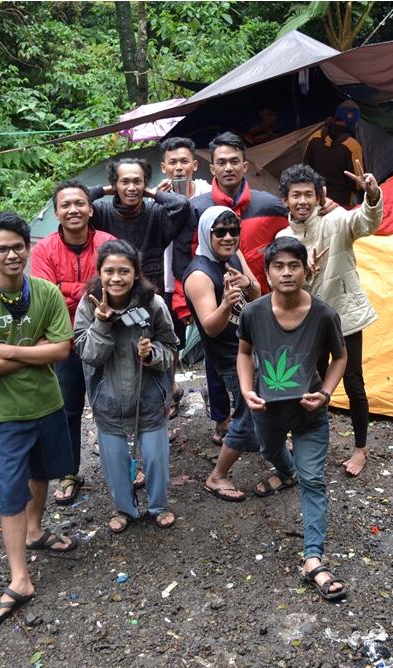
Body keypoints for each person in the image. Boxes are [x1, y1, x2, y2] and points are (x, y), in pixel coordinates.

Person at [0, 211, 77, 625]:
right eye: (2, 248)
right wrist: (35, 352)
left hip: (47, 403)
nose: (11, 254)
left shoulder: (44, 292)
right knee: (10, 493)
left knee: (42, 473)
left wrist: (7, 351)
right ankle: (19, 578)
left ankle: (36, 530)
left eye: (17, 246)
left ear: (29, 248)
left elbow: (62, 350)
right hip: (4, 414)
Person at [237, 236, 348, 601]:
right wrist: (246, 387)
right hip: (267, 411)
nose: (286, 272)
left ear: (306, 269)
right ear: (266, 273)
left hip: (309, 412)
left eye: (294, 265)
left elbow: (340, 358)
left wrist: (327, 394)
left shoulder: (323, 314)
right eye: (278, 266)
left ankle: (313, 558)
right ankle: (285, 470)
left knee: (313, 480)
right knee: (271, 451)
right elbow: (244, 351)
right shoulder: (253, 313)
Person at [276, 161, 383, 477]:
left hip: (345, 315)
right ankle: (310, 440)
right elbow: (284, 286)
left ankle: (360, 449)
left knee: (352, 382)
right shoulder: (284, 238)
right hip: (309, 322)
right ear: (286, 199)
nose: (302, 201)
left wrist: (373, 197)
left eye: (308, 194)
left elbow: (366, 223)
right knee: (310, 383)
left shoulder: (336, 221)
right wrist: (304, 274)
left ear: (319, 196)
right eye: (296, 195)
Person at [74, 240, 178, 532]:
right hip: (108, 399)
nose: (116, 278)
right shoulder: (88, 305)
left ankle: (158, 506)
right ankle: (125, 509)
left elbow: (170, 347)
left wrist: (152, 354)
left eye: (124, 271)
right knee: (114, 462)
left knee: (156, 458)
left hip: (149, 397)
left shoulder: (153, 304)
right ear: (99, 273)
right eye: (109, 271)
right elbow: (88, 354)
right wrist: (102, 324)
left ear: (136, 274)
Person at [31, 181, 115, 505]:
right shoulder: (44, 250)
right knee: (68, 410)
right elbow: (46, 299)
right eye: (65, 205)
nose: (73, 210)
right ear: (56, 213)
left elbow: (115, 289)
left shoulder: (108, 243)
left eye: (79, 203)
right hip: (63, 342)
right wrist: (84, 290)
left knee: (112, 405)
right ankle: (69, 472)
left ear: (91, 208)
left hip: (106, 336)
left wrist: (65, 287)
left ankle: (121, 466)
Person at [183, 206, 262, 502]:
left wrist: (249, 284)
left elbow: (258, 296)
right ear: (207, 233)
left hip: (251, 345)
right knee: (247, 411)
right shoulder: (199, 275)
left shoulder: (234, 257)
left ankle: (270, 445)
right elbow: (210, 328)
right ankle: (217, 476)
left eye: (234, 231)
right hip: (229, 356)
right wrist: (227, 303)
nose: (229, 237)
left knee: (263, 401)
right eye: (220, 232)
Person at [172, 132, 290, 294]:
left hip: (267, 302)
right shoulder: (196, 210)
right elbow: (182, 263)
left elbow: (294, 240)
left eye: (234, 161)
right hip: (214, 303)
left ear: (245, 166)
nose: (228, 168)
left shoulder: (270, 206)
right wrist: (185, 308)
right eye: (221, 162)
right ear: (213, 168)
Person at [158, 137, 222, 429]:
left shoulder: (210, 194)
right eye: (173, 162)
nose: (179, 167)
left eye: (185, 161)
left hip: (204, 276)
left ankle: (215, 392)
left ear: (195, 165)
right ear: (164, 167)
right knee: (170, 339)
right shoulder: (155, 196)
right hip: (168, 277)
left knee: (213, 335)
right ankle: (171, 391)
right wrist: (157, 202)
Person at [88, 158, 189, 294]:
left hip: (151, 295)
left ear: (145, 184)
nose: (131, 188)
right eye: (124, 182)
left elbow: (182, 204)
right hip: (114, 292)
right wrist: (106, 190)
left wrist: (149, 192)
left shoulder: (156, 213)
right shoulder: (102, 212)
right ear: (114, 185)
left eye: (137, 181)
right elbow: (78, 196)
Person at [303, 118, 359, 207]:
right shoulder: (352, 145)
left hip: (317, 199)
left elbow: (305, 170)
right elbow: (357, 183)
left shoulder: (314, 138)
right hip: (343, 202)